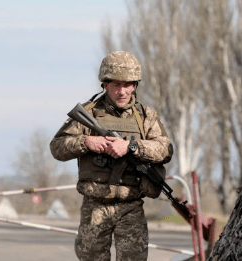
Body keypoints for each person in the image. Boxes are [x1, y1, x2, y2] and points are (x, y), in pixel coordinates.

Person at [50, 51, 173, 261]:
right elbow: (57, 147)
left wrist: (131, 147)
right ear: (105, 84)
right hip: (95, 206)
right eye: (116, 85)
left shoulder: (145, 116)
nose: (122, 91)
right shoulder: (88, 113)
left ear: (135, 85)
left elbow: (165, 150)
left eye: (128, 84)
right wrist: (86, 142)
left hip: (131, 205)